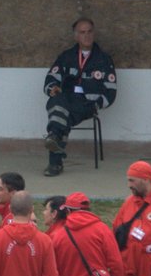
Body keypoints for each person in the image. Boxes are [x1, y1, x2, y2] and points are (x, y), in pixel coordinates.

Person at [43, 17, 117, 176]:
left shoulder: (104, 59)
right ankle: (55, 140)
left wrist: (96, 104)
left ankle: (54, 157)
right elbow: (50, 79)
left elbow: (111, 92)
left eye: (90, 31)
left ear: (94, 33)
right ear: (75, 36)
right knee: (57, 102)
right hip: (67, 101)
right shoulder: (66, 57)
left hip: (87, 105)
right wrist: (53, 88)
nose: (87, 36)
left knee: (60, 117)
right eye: (82, 32)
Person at [50, 192, 124, 276]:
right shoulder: (102, 229)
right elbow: (116, 264)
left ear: (67, 210)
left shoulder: (59, 237)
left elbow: (56, 271)